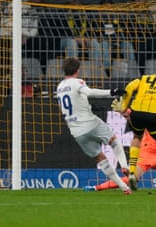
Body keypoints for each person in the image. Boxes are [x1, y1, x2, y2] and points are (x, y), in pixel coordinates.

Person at [56, 57, 131, 195]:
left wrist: (89, 106)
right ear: (78, 70)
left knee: (100, 158)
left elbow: (69, 105)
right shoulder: (77, 82)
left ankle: (124, 187)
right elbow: (89, 92)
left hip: (76, 131)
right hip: (90, 123)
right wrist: (112, 92)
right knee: (113, 141)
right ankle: (125, 166)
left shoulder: (60, 87)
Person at [116, 58, 156, 193]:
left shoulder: (144, 78)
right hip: (154, 115)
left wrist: (124, 106)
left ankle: (133, 172)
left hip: (137, 112)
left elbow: (129, 88)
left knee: (137, 137)